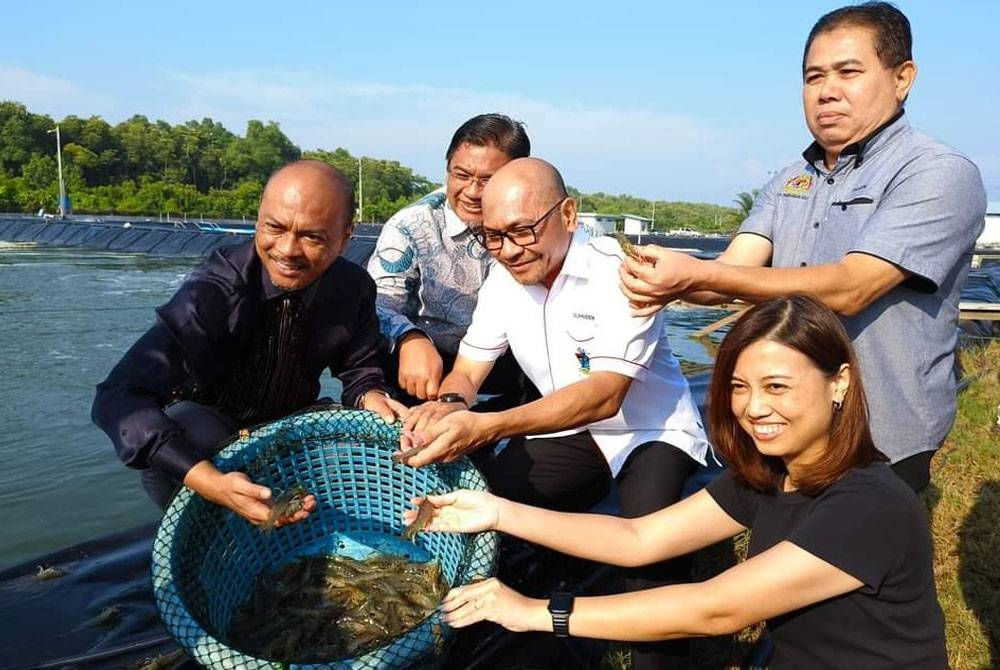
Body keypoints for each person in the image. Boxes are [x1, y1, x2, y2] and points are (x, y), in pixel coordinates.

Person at [409, 295, 948, 670]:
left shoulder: (870, 504)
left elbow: (715, 609)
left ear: (840, 383)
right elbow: (639, 539)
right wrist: (496, 510)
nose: (754, 408)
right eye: (738, 386)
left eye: (777, 385)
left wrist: (534, 613)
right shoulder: (769, 477)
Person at [619, 1, 986, 493]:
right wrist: (656, 277)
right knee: (776, 557)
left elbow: (852, 288)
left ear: (903, 78)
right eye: (814, 77)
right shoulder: (792, 178)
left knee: (860, 564)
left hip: (883, 433)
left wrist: (699, 275)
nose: (827, 91)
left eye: (848, 72)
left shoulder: (936, 173)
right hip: (791, 425)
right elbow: (732, 271)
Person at [399, 157, 709, 670]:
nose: (509, 251)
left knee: (651, 559)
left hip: (648, 429)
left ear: (567, 214)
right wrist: (449, 406)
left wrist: (488, 425)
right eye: (492, 237)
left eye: (522, 231)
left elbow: (604, 396)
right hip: (569, 428)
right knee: (488, 492)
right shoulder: (503, 280)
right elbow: (469, 371)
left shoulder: (619, 272)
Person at [92, 160, 405, 525]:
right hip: (204, 438)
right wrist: (210, 482)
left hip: (289, 424)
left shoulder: (354, 288)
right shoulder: (214, 291)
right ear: (259, 217)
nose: (288, 250)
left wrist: (373, 397)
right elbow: (117, 395)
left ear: (346, 236)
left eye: (313, 237)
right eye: (275, 227)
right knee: (190, 427)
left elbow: (359, 369)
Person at [367, 113, 536, 408]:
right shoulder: (411, 225)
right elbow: (380, 304)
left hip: (506, 354)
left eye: (487, 180)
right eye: (461, 175)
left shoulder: (537, 221)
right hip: (429, 357)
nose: (471, 192)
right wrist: (410, 337)